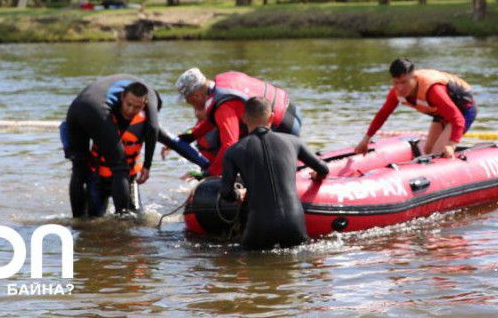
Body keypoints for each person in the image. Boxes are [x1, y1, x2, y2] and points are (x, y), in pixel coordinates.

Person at [219, 97, 329, 250]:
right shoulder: (293, 141)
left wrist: (238, 195)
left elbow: (225, 193)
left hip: (260, 225)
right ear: (271, 117)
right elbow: (324, 169)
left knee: (246, 261)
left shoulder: (234, 151)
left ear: (244, 119)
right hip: (294, 222)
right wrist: (317, 176)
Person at [62, 76, 162, 218]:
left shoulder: (124, 92)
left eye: (136, 107)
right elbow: (153, 128)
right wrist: (148, 165)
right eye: (129, 105)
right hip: (96, 110)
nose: (132, 110)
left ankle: (78, 220)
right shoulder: (150, 95)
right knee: (120, 167)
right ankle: (123, 220)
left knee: (78, 168)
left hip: (75, 109)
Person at [175, 68, 303, 176]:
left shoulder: (223, 105)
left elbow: (229, 145)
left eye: (187, 99)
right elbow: (215, 118)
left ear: (196, 95)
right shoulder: (224, 80)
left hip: (283, 127)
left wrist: (210, 173)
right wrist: (192, 135)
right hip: (291, 109)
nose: (187, 103)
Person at [354, 58, 477, 159]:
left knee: (438, 153)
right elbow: (382, 115)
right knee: (427, 150)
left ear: (414, 78)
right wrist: (366, 140)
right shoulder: (396, 93)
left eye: (404, 82)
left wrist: (451, 144)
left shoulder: (433, 90)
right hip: (442, 115)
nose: (400, 88)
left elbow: (458, 119)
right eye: (396, 83)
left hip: (463, 112)